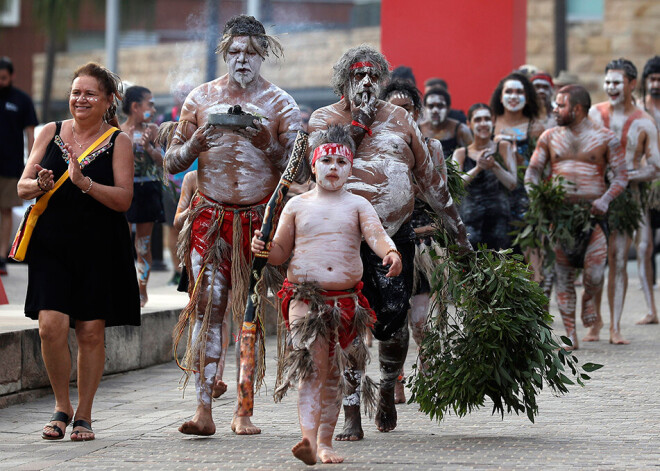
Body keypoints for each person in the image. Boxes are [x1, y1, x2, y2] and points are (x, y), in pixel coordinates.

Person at [308, 45, 471, 440]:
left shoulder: (399, 118)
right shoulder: (323, 119)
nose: (366, 82)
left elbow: (430, 179)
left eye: (373, 76)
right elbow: (307, 170)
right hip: (341, 242)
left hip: (396, 239)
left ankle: (385, 386)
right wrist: (359, 122)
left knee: (394, 324)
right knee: (347, 324)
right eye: (357, 75)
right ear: (343, 81)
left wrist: (458, 232)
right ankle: (351, 414)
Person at [164, 14, 303, 436]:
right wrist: (195, 143)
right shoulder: (200, 99)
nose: (242, 59)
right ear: (225, 53)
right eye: (235, 51)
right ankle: (203, 410)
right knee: (209, 309)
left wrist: (266, 143)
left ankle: (243, 409)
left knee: (250, 313)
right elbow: (172, 162)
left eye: (251, 52)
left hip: (260, 221)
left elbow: (297, 169)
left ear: (264, 55)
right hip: (211, 217)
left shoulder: (282, 104)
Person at [253, 125, 401, 465]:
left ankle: (324, 442)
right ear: (313, 165)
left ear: (351, 168)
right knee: (311, 368)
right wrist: (262, 249)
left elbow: (377, 237)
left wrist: (390, 253)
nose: (333, 167)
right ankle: (306, 438)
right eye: (327, 161)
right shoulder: (296, 206)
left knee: (334, 374)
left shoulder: (358, 204)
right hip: (307, 299)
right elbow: (279, 253)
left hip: (348, 301)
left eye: (340, 161)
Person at [17, 62, 140, 441]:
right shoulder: (50, 132)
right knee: (49, 327)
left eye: (89, 93)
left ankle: (83, 414)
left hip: (100, 248)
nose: (80, 99)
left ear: (107, 100)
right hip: (51, 245)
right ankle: (61, 406)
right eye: (75, 92)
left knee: (90, 332)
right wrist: (38, 182)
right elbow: (22, 186)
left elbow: (123, 200)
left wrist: (84, 182)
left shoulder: (119, 141)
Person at [525, 85, 627, 349]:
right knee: (563, 275)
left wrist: (605, 200)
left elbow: (621, 176)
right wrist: (537, 195)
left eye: (560, 105)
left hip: (592, 217)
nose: (555, 109)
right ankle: (571, 334)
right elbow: (533, 171)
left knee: (594, 273)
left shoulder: (606, 138)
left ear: (577, 109)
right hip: (559, 219)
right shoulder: (549, 137)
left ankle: (589, 298)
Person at [380, 79, 445, 404]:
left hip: (424, 244)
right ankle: (395, 381)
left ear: (416, 112)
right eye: (393, 109)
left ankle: (428, 376)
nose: (399, 115)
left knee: (420, 322)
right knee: (393, 320)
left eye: (406, 109)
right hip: (387, 245)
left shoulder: (431, 147)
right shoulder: (374, 147)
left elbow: (440, 193)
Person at [589, 58, 660, 336]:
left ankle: (615, 327)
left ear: (632, 84)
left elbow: (655, 166)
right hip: (593, 196)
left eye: (617, 82)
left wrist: (626, 176)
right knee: (594, 260)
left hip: (627, 199)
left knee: (619, 259)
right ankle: (595, 323)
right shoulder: (593, 114)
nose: (611, 87)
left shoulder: (645, 122)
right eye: (607, 82)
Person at [491, 72, 545, 275]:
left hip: (526, 201)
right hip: (496, 201)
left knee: (531, 260)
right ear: (500, 96)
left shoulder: (536, 129)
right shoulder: (490, 124)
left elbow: (545, 166)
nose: (513, 96)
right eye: (509, 91)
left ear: (528, 96)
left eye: (519, 92)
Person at [121, 86, 163, 307]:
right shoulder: (119, 130)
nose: (153, 109)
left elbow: (162, 161)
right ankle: (123, 287)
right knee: (121, 243)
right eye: (150, 104)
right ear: (135, 107)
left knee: (143, 245)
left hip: (147, 189)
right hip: (125, 191)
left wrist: (147, 147)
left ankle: (141, 290)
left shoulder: (153, 130)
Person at [453, 104, 517, 249]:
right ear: (469, 123)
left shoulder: (503, 147)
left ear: (493, 122)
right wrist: (478, 168)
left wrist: (495, 166)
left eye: (487, 119)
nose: (483, 123)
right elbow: (456, 186)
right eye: (478, 119)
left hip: (500, 226)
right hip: (470, 226)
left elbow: (512, 184)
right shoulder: (461, 153)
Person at [0, 56, 38, 275]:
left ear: (12, 76)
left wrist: (32, 163)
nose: (1, 81)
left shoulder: (22, 100)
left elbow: (31, 134)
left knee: (5, 211)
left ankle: (1, 257)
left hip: (10, 165)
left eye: (4, 78)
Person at [642, 56, 660, 296]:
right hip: (644, 183)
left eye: (659, 79)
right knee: (644, 245)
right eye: (652, 79)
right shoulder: (637, 109)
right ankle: (650, 306)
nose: (655, 84)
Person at [420, 86, 473, 159]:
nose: (435, 110)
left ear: (448, 108)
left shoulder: (460, 130)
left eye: (440, 106)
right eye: (431, 106)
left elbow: (472, 155)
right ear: (425, 109)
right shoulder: (418, 130)